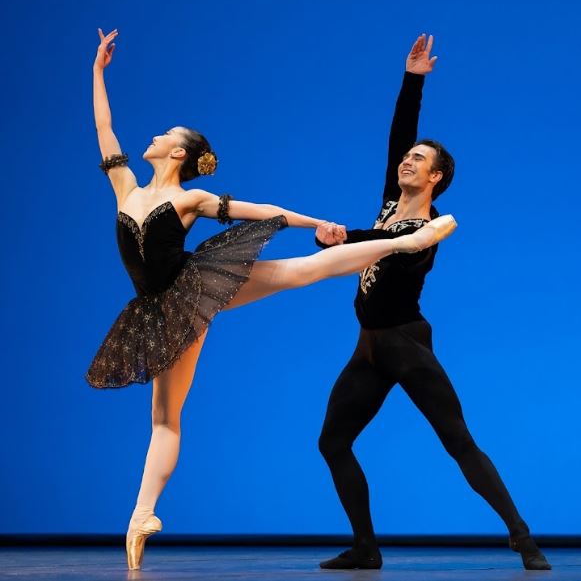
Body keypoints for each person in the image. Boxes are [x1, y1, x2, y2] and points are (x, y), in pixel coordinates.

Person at [86, 29, 457, 570]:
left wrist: (317, 222)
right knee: (164, 419)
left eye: (164, 134)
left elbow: (262, 211)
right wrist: (98, 71)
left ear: (178, 151)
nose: (154, 136)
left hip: (194, 284)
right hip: (157, 312)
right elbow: (104, 128)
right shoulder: (125, 185)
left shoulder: (191, 197)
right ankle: (142, 516)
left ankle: (406, 240)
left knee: (300, 270)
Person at [315, 35, 551, 572]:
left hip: (406, 345)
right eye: (406, 158)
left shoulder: (428, 229)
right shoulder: (389, 203)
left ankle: (523, 538)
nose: (406, 161)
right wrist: (412, 79)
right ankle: (366, 547)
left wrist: (343, 237)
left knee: (458, 441)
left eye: (418, 160)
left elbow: (394, 250)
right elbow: (399, 132)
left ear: (435, 177)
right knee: (333, 441)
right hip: (368, 348)